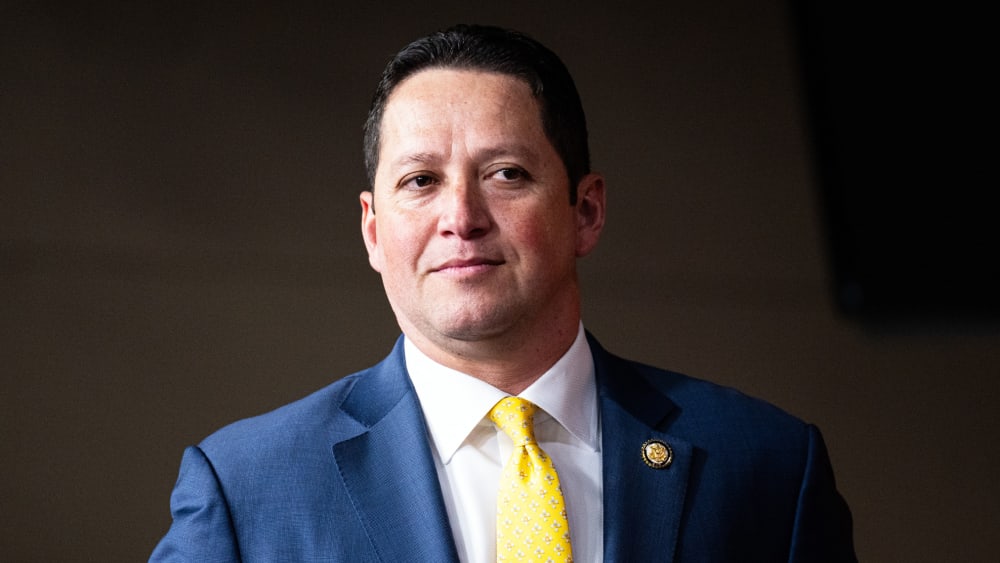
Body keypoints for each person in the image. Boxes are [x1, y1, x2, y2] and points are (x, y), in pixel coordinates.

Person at [150, 24, 856, 562]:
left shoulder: (767, 466)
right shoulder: (246, 489)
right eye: (420, 181)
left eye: (507, 174)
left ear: (586, 211)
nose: (461, 217)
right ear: (373, 229)